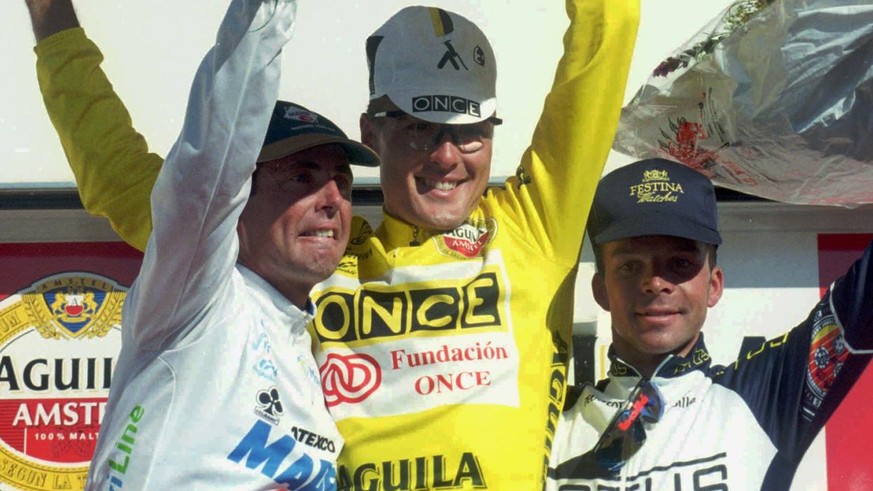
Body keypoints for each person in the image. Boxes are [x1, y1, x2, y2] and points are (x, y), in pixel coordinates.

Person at [27, 0, 640, 488]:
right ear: (372, 132)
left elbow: (610, 25)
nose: (447, 156)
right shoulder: (309, 255)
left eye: (470, 132)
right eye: (420, 129)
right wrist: (52, 17)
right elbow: (122, 175)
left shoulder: (533, 228)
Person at [74, 0, 381, 488]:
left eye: (342, 182)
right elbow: (209, 167)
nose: (331, 199)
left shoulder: (305, 348)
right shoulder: (196, 295)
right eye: (301, 177)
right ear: (238, 197)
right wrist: (267, 14)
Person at [546, 158, 873, 489]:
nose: (655, 283)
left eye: (680, 263)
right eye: (630, 266)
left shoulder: (762, 396)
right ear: (601, 290)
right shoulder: (550, 418)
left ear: (714, 285)